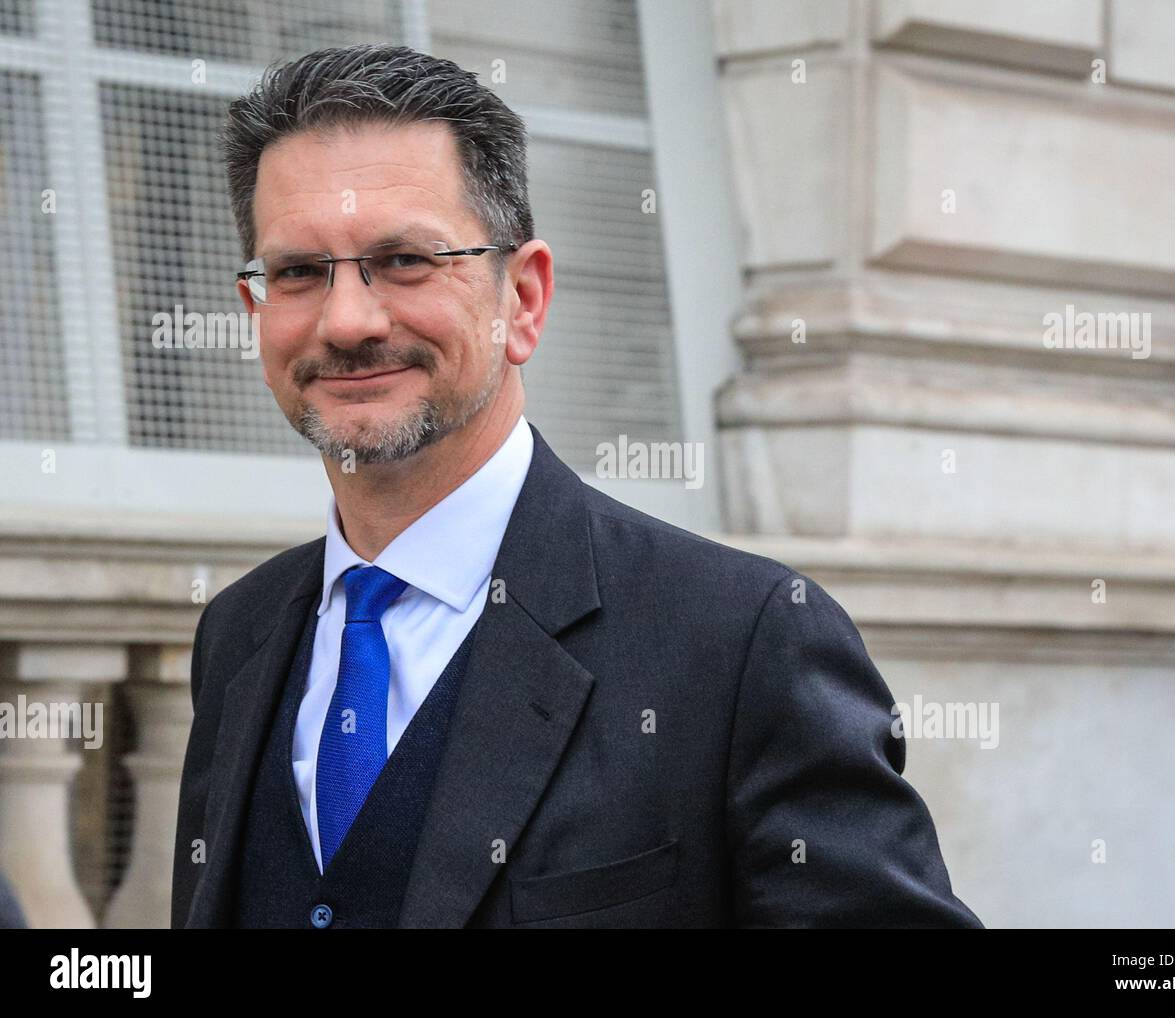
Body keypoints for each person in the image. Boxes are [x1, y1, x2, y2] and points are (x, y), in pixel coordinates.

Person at [170, 44, 982, 929]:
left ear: (522, 299)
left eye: (404, 260)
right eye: (297, 272)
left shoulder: (744, 644)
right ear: (258, 310)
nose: (348, 319)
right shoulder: (238, 636)